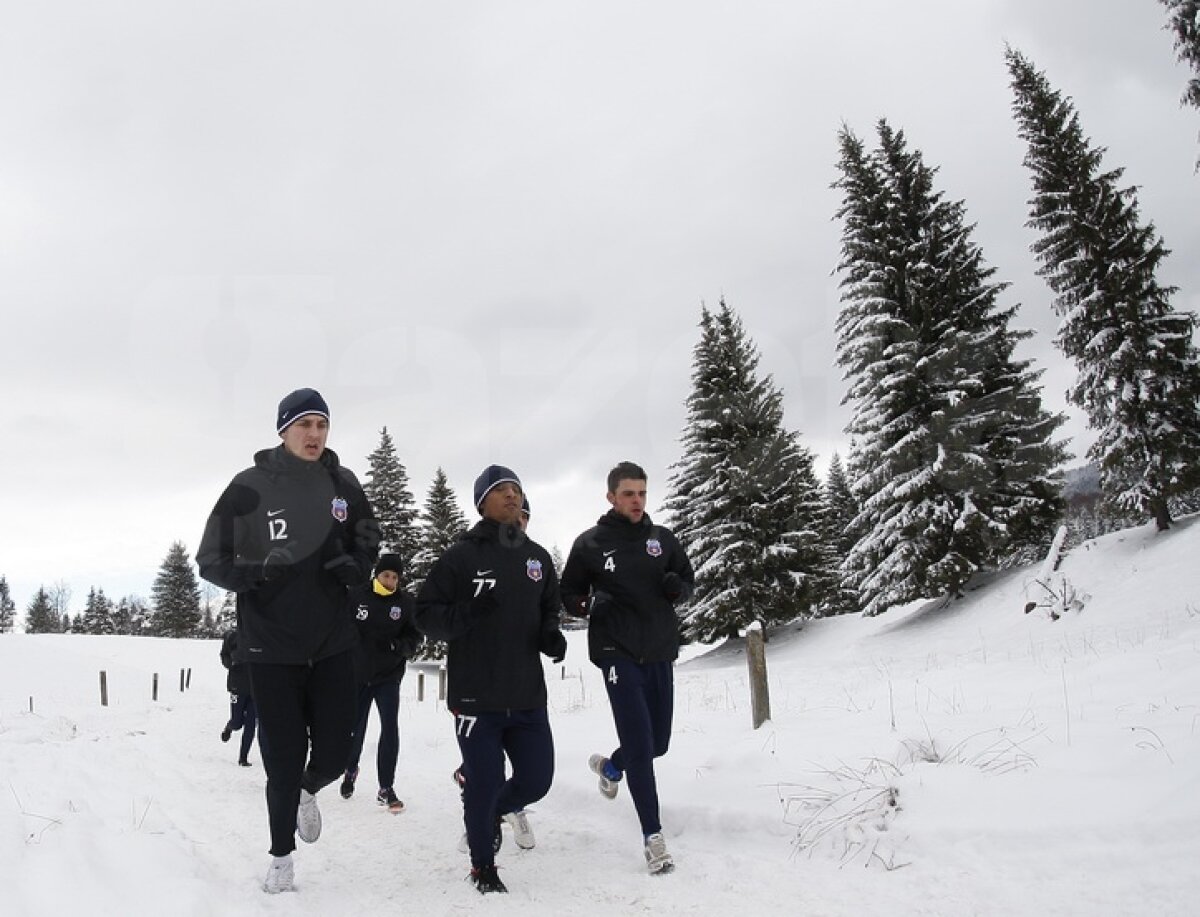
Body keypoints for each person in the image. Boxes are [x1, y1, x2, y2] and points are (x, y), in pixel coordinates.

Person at [197, 387, 378, 895]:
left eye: (322, 425)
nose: (315, 434)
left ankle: (308, 789)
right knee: (282, 757)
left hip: (334, 641)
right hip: (270, 646)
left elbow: (370, 541)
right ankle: (281, 858)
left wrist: (357, 568)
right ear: (283, 431)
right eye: (305, 425)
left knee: (338, 752)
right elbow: (211, 558)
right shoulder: (249, 486)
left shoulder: (344, 485)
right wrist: (250, 574)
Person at [415, 466, 566, 895]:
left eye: (517, 489)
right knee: (483, 782)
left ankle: (488, 812)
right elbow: (425, 613)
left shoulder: (537, 558)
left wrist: (550, 636)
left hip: (526, 695)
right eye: (501, 490)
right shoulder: (461, 557)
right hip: (476, 697)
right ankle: (483, 867)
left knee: (538, 779)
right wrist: (467, 615)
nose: (512, 495)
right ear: (481, 501)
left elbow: (550, 608)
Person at [559, 461, 694, 875]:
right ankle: (653, 838)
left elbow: (687, 580)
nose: (637, 501)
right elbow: (569, 591)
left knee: (657, 744)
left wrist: (678, 587)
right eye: (629, 494)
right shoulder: (590, 544)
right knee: (640, 740)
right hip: (616, 651)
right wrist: (585, 604)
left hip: (658, 648)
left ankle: (612, 766)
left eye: (642, 493)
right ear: (611, 497)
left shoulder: (662, 539)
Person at [339, 552, 422, 813]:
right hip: (358, 675)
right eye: (386, 575)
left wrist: (399, 646)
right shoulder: (356, 596)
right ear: (377, 574)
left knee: (390, 730)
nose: (390, 581)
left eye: (395, 577)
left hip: (388, 676)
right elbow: (340, 625)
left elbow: (415, 636)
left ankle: (386, 787)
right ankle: (350, 769)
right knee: (356, 728)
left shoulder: (406, 603)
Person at [219, 628, 258, 767]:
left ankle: (243, 758)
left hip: (256, 689)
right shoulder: (231, 636)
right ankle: (229, 727)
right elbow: (224, 655)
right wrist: (232, 662)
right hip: (237, 686)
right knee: (237, 722)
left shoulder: (260, 633)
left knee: (251, 725)